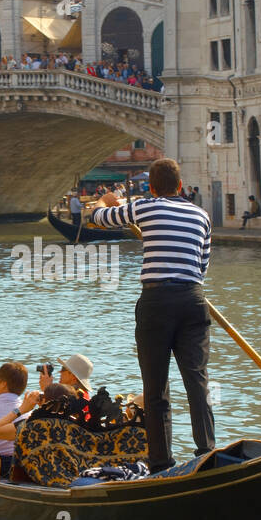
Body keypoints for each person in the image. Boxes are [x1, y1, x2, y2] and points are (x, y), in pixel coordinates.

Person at [90, 158, 215, 474]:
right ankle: (207, 453)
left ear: (153, 188)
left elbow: (100, 218)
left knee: (156, 388)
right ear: (181, 187)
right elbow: (202, 267)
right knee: (198, 382)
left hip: (156, 302)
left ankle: (161, 464)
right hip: (193, 300)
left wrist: (104, 201)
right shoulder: (202, 216)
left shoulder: (146, 208)